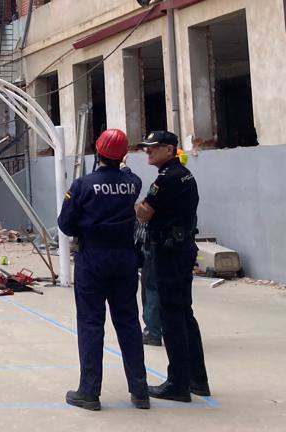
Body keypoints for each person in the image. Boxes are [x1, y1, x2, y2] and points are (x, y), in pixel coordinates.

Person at [58, 129, 149, 411]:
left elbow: (65, 224)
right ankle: (140, 390)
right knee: (129, 323)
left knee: (91, 324)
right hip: (124, 258)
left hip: (93, 259)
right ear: (122, 155)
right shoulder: (133, 182)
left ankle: (89, 391)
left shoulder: (83, 185)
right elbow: (129, 177)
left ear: (97, 153)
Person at [135, 131, 210, 402]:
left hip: (169, 251)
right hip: (181, 247)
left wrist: (134, 206)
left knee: (172, 318)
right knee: (184, 315)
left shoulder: (167, 178)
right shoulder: (183, 174)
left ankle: (178, 383)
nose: (148, 152)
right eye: (146, 148)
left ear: (169, 149)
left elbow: (145, 212)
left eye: (153, 148)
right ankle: (197, 380)